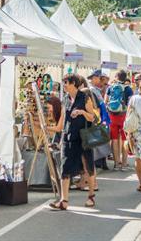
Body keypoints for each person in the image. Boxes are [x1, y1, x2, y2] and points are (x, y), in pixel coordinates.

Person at [49, 74, 99, 210]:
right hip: (68, 137)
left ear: (74, 84)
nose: (64, 85)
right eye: (64, 82)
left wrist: (82, 112)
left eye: (66, 82)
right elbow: (61, 123)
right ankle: (63, 201)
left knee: (87, 165)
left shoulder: (84, 97)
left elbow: (93, 118)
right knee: (64, 169)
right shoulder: (65, 99)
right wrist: (48, 128)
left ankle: (91, 196)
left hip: (83, 137)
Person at [106, 70, 134, 170]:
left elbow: (106, 102)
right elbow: (131, 105)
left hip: (112, 116)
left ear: (116, 77)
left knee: (114, 139)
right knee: (124, 139)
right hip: (124, 116)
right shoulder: (128, 89)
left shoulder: (110, 87)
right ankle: (124, 164)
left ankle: (116, 163)